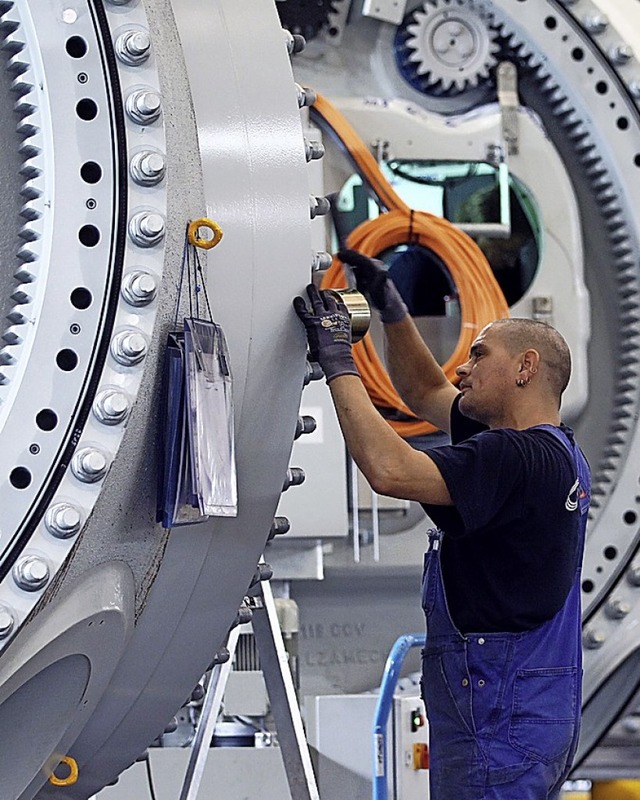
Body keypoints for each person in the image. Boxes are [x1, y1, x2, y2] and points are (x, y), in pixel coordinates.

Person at [293, 249, 590, 800]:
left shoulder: (514, 457)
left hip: (499, 712)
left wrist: (337, 361)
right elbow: (425, 393)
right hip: (522, 707)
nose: (462, 366)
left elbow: (389, 470)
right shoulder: (556, 454)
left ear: (525, 367)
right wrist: (390, 309)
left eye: (479, 355)